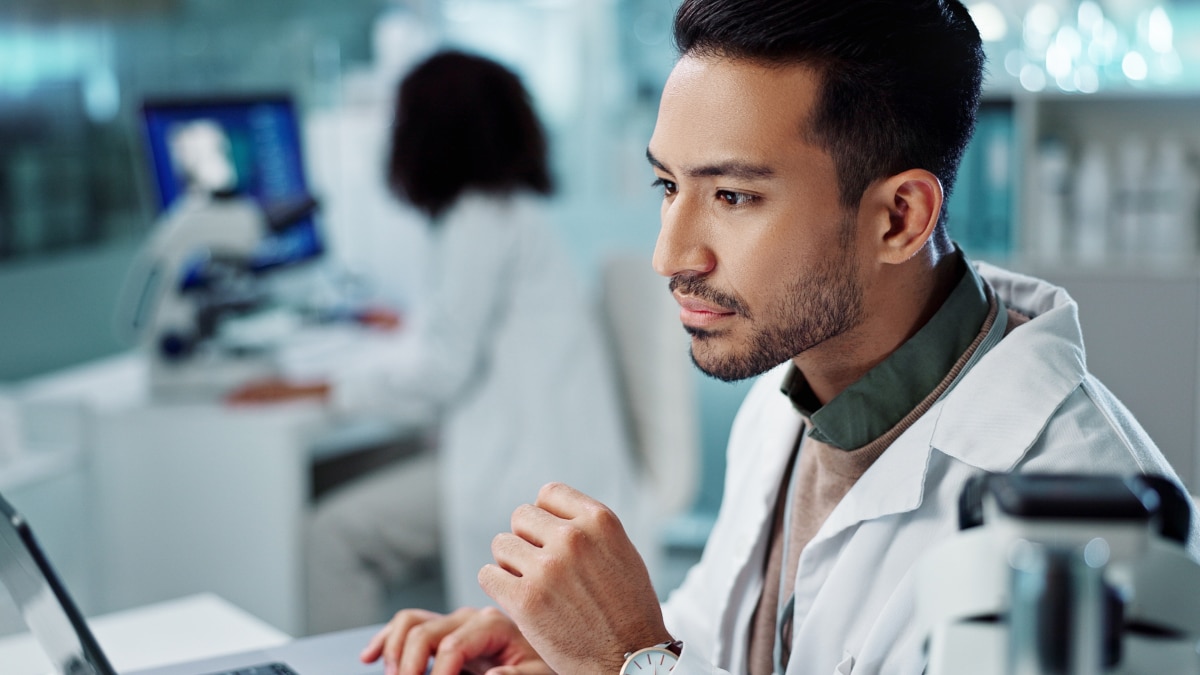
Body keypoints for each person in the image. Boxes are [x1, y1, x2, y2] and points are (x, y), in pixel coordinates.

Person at [358, 2, 1200, 674]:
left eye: (732, 197)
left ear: (899, 217)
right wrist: (570, 654)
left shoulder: (1079, 545)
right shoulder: (791, 393)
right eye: (668, 185)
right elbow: (726, 644)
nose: (670, 256)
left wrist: (628, 666)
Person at [231, 50, 639, 634]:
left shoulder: (477, 217)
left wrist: (316, 387)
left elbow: (441, 373)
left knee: (332, 534)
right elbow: (477, 329)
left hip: (521, 474)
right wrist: (404, 324)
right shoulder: (516, 211)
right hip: (548, 454)